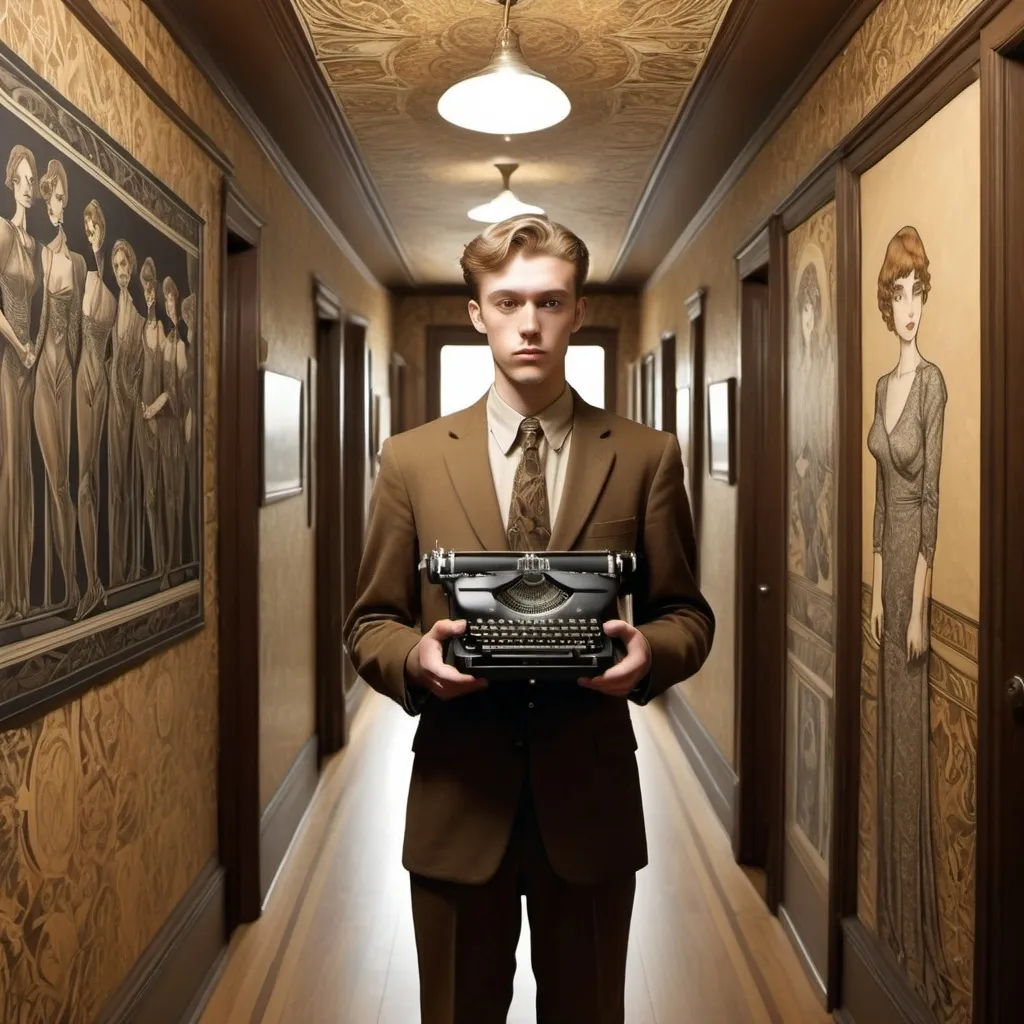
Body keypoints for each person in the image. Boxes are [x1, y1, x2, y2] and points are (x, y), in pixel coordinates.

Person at [343, 214, 714, 1024]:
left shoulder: (646, 457)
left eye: (550, 301)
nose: (529, 322)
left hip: (591, 806)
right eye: (507, 301)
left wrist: (650, 650)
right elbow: (371, 623)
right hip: (456, 800)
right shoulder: (411, 459)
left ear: (580, 312)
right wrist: (415, 662)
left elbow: (687, 613)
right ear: (477, 312)